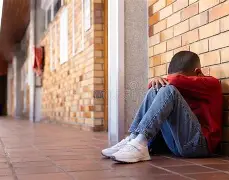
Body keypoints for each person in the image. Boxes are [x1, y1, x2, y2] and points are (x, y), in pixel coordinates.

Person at [101, 51, 223, 163]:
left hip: (201, 146)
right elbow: (172, 82)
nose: (183, 80)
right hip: (178, 146)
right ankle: (133, 139)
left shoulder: (212, 84)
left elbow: (176, 80)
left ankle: (140, 143)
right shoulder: (185, 89)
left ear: (197, 72)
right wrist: (157, 83)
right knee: (157, 88)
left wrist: (158, 80)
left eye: (186, 78)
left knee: (167, 88)